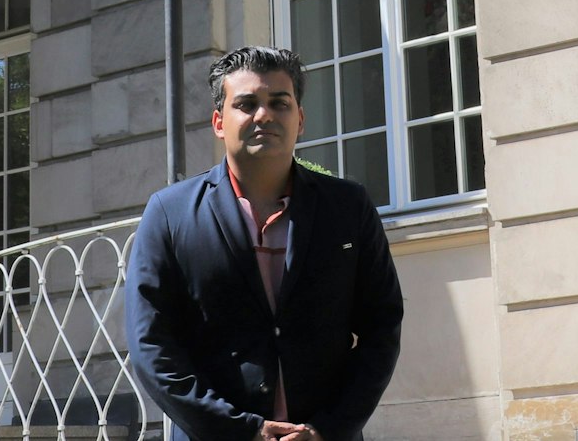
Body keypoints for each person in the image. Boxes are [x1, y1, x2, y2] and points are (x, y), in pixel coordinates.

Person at [126, 46, 404, 441]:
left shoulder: (348, 207)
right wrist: (240, 430)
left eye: (279, 102)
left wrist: (329, 428)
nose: (264, 115)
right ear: (219, 122)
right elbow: (150, 346)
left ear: (300, 119)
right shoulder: (170, 214)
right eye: (246, 104)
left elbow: (382, 326)